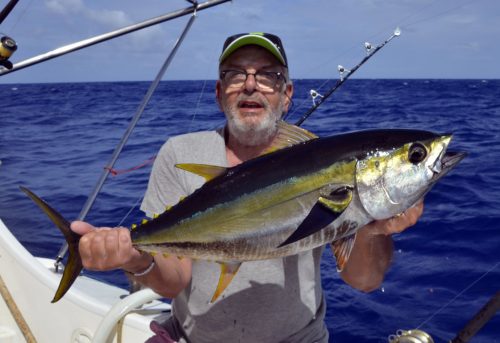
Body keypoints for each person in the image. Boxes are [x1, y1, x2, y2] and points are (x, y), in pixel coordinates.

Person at [71, 32, 424, 342]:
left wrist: (377, 231)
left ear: (286, 95)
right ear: (219, 93)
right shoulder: (180, 153)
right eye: (235, 74)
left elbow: (363, 280)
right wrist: (135, 258)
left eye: (268, 76)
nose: (251, 84)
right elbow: (173, 280)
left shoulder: (324, 160)